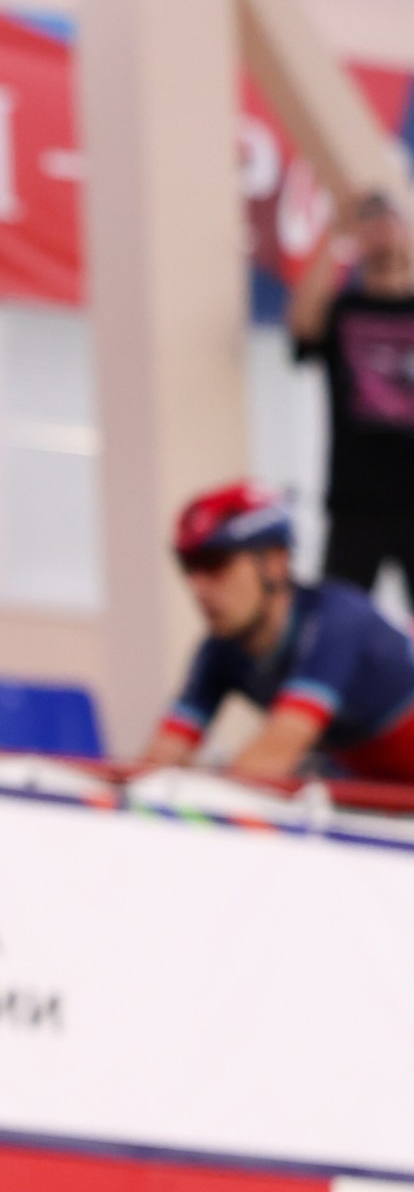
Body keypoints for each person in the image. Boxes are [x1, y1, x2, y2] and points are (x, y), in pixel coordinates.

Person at [137, 481, 414, 788]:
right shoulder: (220, 650)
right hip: (375, 779)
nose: (198, 588)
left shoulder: (338, 619)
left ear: (275, 563)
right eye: (189, 567)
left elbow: (265, 765)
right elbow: (157, 762)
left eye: (215, 563)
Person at [287, 187, 414, 603]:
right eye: (371, 224)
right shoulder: (344, 311)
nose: (382, 233)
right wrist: (335, 236)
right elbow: (303, 325)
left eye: (389, 221)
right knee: (336, 620)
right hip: (356, 502)